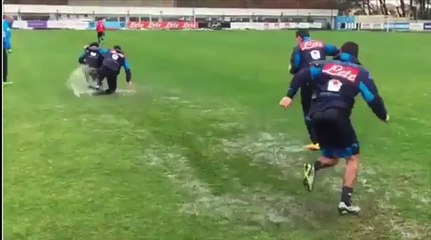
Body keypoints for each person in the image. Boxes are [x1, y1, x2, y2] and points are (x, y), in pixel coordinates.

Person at [279, 42, 389, 215]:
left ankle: (313, 167)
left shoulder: (323, 65)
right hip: (337, 115)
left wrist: (289, 95)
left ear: (340, 53)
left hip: (316, 115)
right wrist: (383, 116)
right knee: (352, 157)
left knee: (332, 157)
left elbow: (301, 75)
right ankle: (345, 202)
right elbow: (372, 98)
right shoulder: (360, 72)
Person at [289, 30, 340, 151]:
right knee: (323, 106)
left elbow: (295, 66)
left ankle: (316, 141)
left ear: (299, 38)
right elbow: (336, 51)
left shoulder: (298, 48)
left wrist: (293, 70)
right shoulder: (321, 44)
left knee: (308, 111)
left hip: (307, 80)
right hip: (323, 80)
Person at [3, 16, 13, 84]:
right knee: (4, 63)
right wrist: (9, 48)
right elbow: (6, 37)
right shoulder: (6, 26)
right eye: (12, 21)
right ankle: (4, 80)